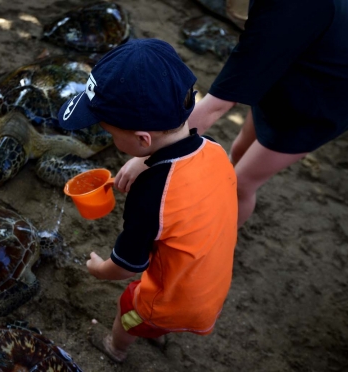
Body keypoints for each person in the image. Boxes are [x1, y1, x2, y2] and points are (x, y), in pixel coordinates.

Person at [58, 38, 238, 363]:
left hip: (174, 300)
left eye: (111, 133)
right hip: (209, 286)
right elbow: (176, 171)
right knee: (159, 312)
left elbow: (127, 265)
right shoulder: (213, 149)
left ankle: (116, 348)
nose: (110, 139)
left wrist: (100, 271)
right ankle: (160, 330)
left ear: (143, 139)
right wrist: (145, 160)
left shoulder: (151, 194)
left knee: (130, 309)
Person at [117, 0, 348, 228]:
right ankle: (215, 205)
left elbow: (217, 105)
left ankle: (216, 243)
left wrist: (148, 159)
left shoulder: (290, 9)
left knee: (241, 185)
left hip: (316, 107)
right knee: (238, 152)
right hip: (282, 79)